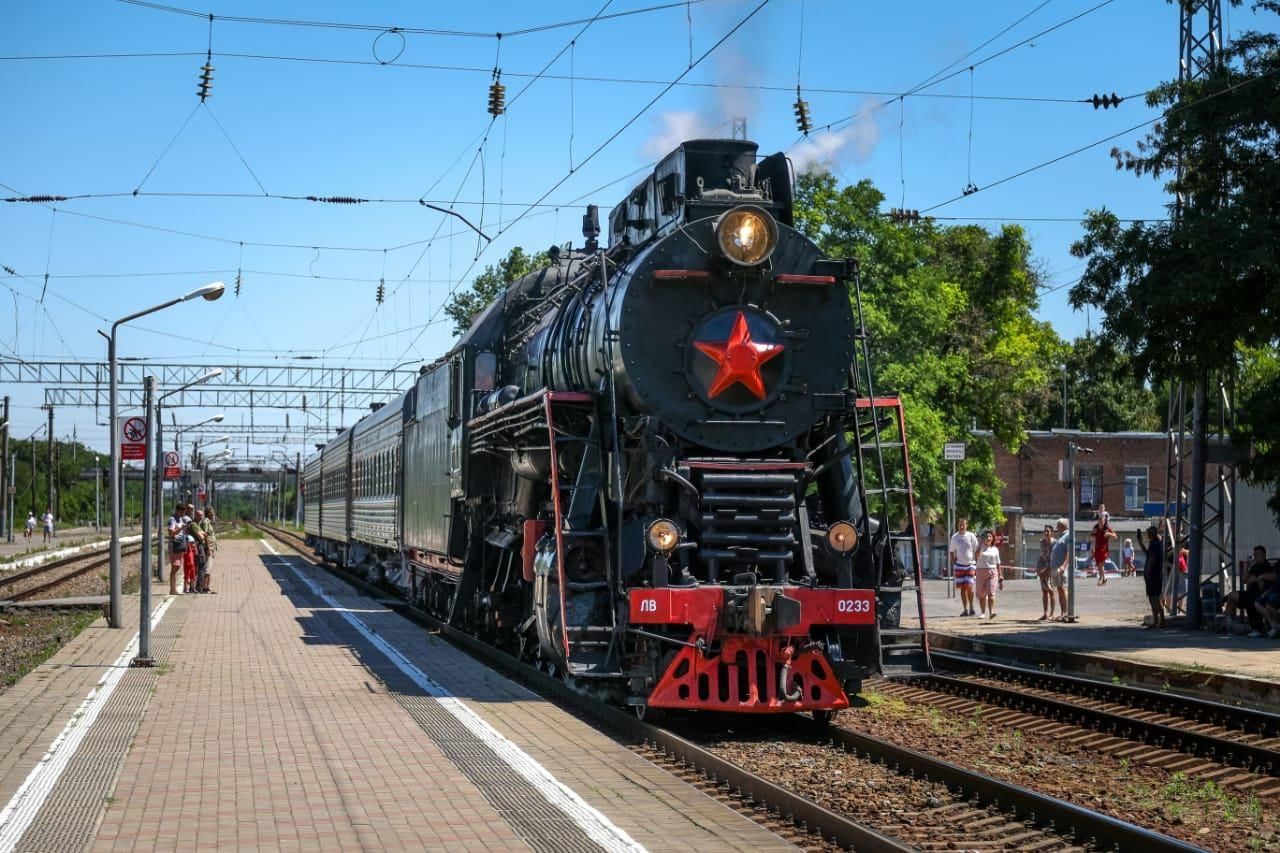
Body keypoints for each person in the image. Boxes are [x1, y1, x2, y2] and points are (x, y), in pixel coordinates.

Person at [1225, 546, 1273, 636]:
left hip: (1258, 594)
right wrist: (1246, 567)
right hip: (1249, 593)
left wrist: (1249, 578)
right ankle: (1228, 623)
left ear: (1264, 555)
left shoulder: (1264, 566)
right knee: (1231, 596)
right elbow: (1244, 580)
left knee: (1250, 601)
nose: (1255, 556)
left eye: (1257, 554)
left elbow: (1248, 581)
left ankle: (1257, 628)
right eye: (1254, 554)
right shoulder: (1254, 566)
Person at [1136, 524, 1166, 628]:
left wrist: (1147, 573)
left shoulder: (1154, 545)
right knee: (1155, 598)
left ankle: (1159, 621)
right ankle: (1159, 621)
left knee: (1154, 599)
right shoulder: (1157, 543)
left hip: (1153, 576)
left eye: (1148, 533)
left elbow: (1151, 559)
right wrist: (1140, 543)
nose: (1147, 535)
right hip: (1157, 575)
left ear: (1152, 534)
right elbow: (1148, 554)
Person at [949, 518, 980, 616]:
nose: (961, 526)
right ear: (957, 525)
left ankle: (971, 607)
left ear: (967, 525)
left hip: (970, 565)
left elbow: (977, 549)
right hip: (959, 566)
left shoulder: (971, 536)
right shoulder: (954, 537)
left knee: (969, 587)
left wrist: (977, 561)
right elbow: (951, 551)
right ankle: (965, 609)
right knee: (962, 588)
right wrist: (954, 562)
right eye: (960, 525)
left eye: (963, 525)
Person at [974, 530, 1003, 619]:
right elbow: (977, 556)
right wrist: (981, 545)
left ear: (992, 538)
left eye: (990, 536)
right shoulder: (980, 547)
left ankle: (991, 612)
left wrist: (1001, 576)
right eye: (986, 536)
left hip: (992, 572)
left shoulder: (995, 549)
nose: (988, 538)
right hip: (980, 572)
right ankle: (983, 612)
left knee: (991, 593)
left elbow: (998, 563)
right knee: (982, 594)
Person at [1047, 518, 1072, 621]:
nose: (1056, 528)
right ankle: (1062, 613)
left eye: (1058, 525)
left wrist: (1063, 566)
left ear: (1063, 526)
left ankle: (1066, 613)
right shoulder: (1061, 537)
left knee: (1062, 588)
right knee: (1059, 589)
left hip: (1061, 567)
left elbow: (1069, 553)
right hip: (1055, 567)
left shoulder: (1068, 536)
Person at [1035, 525, 1057, 620]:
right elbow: (1042, 556)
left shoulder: (1055, 543)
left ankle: (1052, 613)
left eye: (1048, 531)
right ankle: (1045, 613)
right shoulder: (1042, 542)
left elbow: (1054, 557)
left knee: (1051, 591)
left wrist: (1048, 569)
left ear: (1052, 532)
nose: (1046, 533)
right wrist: (1039, 569)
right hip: (1042, 568)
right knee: (1044, 591)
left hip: (1051, 568)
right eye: (1045, 531)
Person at [1091, 509, 1116, 586]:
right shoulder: (1096, 528)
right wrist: (1092, 548)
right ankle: (1104, 579)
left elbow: (1115, 536)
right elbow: (1092, 537)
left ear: (1105, 521)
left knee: (1101, 565)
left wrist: (1109, 534)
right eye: (1099, 520)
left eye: (1102, 520)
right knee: (1099, 565)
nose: (1100, 522)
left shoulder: (1107, 528)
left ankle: (1101, 579)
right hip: (1097, 548)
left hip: (1104, 549)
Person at [167, 504, 188, 595]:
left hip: (179, 545)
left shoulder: (180, 519)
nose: (183, 514)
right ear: (178, 510)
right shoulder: (172, 520)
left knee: (177, 566)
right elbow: (171, 533)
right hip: (174, 545)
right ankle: (172, 589)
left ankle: (173, 589)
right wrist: (180, 528)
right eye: (182, 511)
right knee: (175, 567)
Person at [199, 508, 217, 593]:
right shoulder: (206, 522)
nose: (213, 514)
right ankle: (204, 587)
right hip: (209, 548)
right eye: (212, 512)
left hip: (212, 548)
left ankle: (207, 586)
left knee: (209, 568)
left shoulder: (208, 522)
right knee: (207, 568)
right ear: (208, 513)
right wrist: (208, 548)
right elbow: (205, 535)